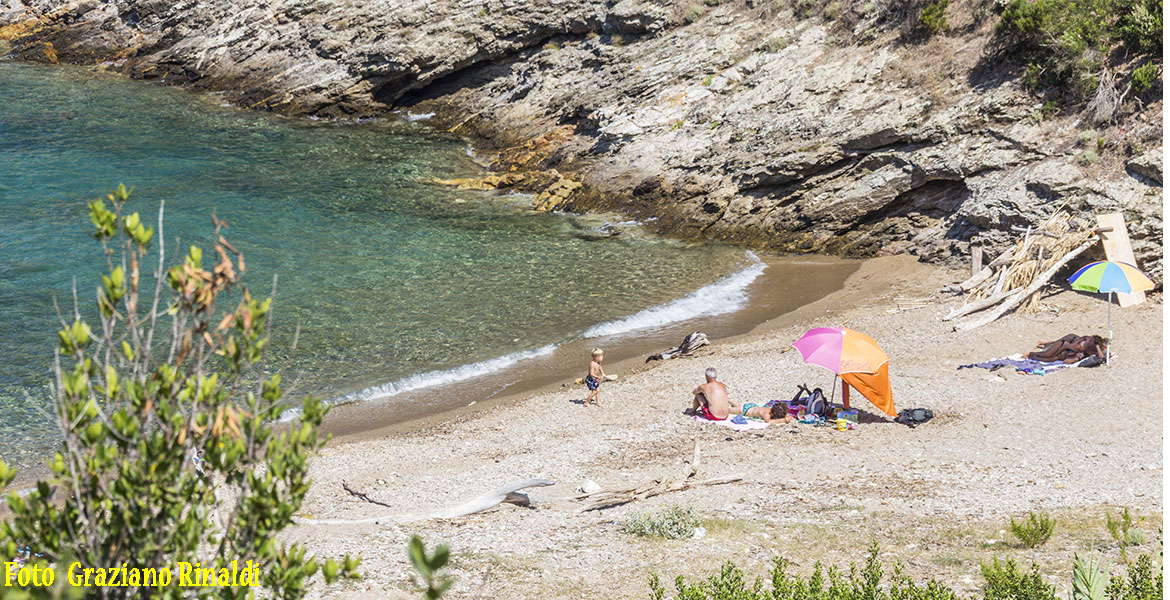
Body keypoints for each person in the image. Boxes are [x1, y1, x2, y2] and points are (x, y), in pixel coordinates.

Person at [1028, 334, 1107, 364]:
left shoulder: (1092, 348)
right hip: (1070, 340)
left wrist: (1097, 346)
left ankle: (1043, 345)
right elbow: (1066, 346)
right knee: (1048, 354)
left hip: (1068, 348)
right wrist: (1056, 354)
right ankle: (1031, 353)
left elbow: (1101, 358)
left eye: (1091, 341)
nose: (1089, 340)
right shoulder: (1085, 340)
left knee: (1050, 358)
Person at [729, 400, 796, 424]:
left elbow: (784, 413)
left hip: (752, 406)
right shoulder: (766, 414)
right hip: (745, 411)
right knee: (727, 410)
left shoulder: (770, 409)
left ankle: (729, 400)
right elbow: (768, 422)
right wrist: (784, 420)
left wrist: (789, 417)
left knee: (738, 405)